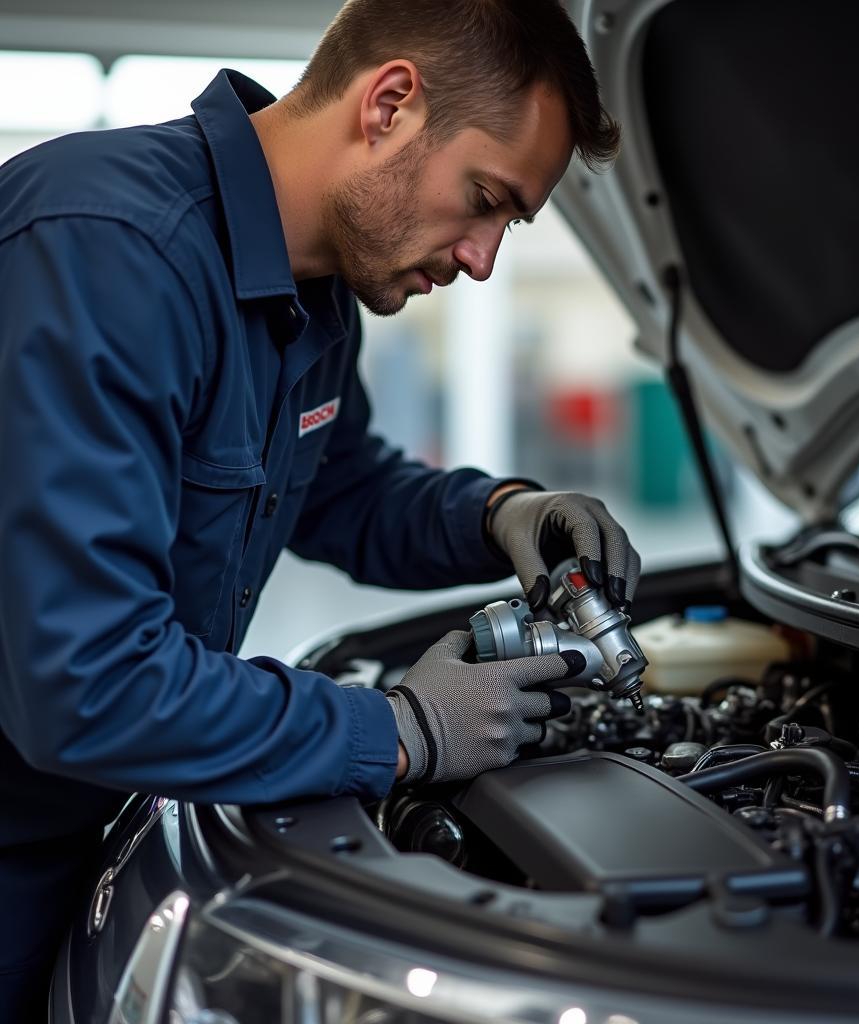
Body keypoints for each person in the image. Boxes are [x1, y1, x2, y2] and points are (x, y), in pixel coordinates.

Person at [0, 0, 640, 1015]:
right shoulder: (107, 251)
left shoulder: (315, 290)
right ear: (389, 102)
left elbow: (342, 488)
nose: (480, 259)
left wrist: (501, 513)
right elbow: (88, 682)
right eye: (483, 199)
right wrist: (397, 729)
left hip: (86, 822)